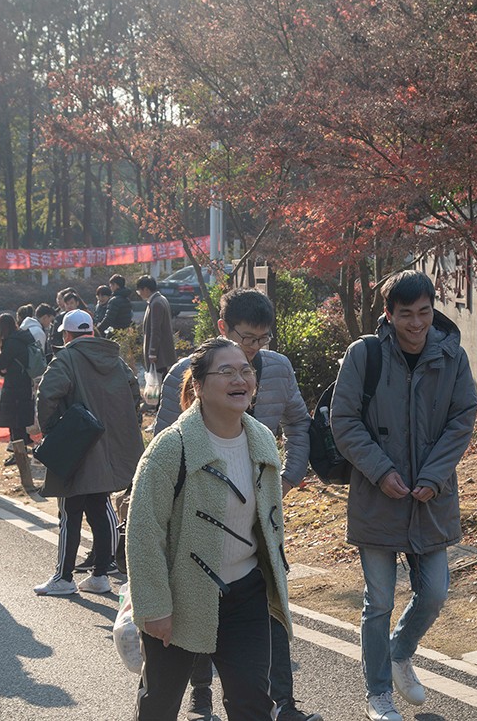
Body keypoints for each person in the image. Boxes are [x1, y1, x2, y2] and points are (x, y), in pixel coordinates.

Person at [153, 288, 317, 721]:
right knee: (193, 621)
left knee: (265, 614)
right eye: (246, 338)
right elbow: (161, 449)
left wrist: (288, 475)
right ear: (223, 327)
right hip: (195, 525)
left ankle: (284, 704)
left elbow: (299, 422)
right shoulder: (186, 374)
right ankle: (200, 697)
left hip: (254, 523)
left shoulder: (277, 369)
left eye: (262, 340)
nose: (254, 350)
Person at [331, 270, 477, 721]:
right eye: (406, 314)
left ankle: (399, 650)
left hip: (430, 499)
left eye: (424, 312)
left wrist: (434, 475)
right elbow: (343, 420)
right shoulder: (365, 354)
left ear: (434, 309)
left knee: (434, 592)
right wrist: (380, 471)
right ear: (388, 314)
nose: (416, 323)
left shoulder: (452, 356)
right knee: (378, 602)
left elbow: (462, 419)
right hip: (378, 497)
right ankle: (378, 694)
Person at [127, 338, 291, 721]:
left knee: (253, 704)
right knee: (159, 706)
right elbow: (144, 532)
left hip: (246, 594)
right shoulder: (171, 448)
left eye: (246, 370)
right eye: (227, 371)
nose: (240, 379)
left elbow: (268, 524)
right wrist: (155, 607)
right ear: (198, 385)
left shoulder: (262, 439)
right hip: (180, 596)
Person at [34, 309, 143, 595]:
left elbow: (47, 394)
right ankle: (100, 575)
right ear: (91, 332)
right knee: (99, 508)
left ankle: (63, 578)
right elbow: (134, 392)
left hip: (76, 446)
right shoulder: (114, 359)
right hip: (108, 447)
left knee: (70, 512)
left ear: (67, 336)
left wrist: (52, 430)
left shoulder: (66, 358)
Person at [0, 313, 36, 465]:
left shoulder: (12, 342)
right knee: (20, 422)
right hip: (24, 383)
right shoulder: (23, 338)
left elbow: (0, 363)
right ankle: (20, 452)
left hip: (14, 387)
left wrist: (3, 369)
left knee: (14, 422)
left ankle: (19, 455)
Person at [136, 274, 177, 382]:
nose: (139, 294)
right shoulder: (160, 299)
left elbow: (156, 330)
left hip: (159, 353)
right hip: (162, 351)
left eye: (139, 291)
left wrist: (152, 352)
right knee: (162, 381)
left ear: (146, 289)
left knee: (159, 383)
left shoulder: (156, 303)